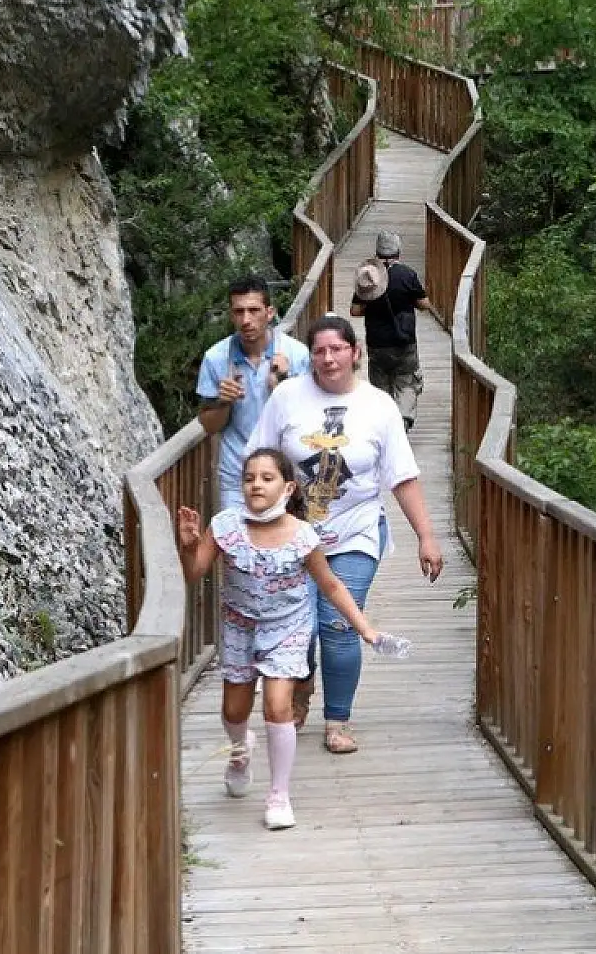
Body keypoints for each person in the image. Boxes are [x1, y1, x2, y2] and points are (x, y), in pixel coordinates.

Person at [176, 448, 406, 830]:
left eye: (267, 478)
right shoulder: (225, 526)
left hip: (288, 627)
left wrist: (365, 629)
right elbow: (194, 571)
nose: (256, 485)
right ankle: (239, 751)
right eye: (250, 478)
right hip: (239, 625)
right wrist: (187, 546)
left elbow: (331, 585)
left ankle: (278, 795)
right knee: (234, 710)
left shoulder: (302, 536)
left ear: (287, 487)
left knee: (277, 705)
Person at [247, 313, 444, 754]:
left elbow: (402, 477)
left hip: (355, 530)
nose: (328, 357)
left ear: (356, 353)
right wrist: (253, 521)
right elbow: (259, 459)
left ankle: (337, 720)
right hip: (294, 533)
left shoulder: (380, 407)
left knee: (337, 621)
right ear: (310, 357)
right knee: (299, 625)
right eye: (319, 350)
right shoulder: (287, 399)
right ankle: (301, 683)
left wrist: (426, 537)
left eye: (337, 349)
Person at [196, 276, 312, 512]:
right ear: (231, 315)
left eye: (253, 310)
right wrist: (223, 402)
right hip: (238, 474)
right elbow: (209, 426)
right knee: (237, 547)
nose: (246, 320)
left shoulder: (297, 354)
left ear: (269, 313)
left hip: (287, 473)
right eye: (239, 312)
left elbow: (310, 418)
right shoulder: (216, 358)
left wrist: (284, 385)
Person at [350, 231, 432, 432]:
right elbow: (424, 305)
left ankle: (384, 422)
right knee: (406, 381)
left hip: (377, 342)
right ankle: (403, 417)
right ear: (398, 251)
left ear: (377, 252)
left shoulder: (369, 276)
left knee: (380, 383)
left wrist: (372, 304)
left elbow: (355, 310)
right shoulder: (407, 274)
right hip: (405, 340)